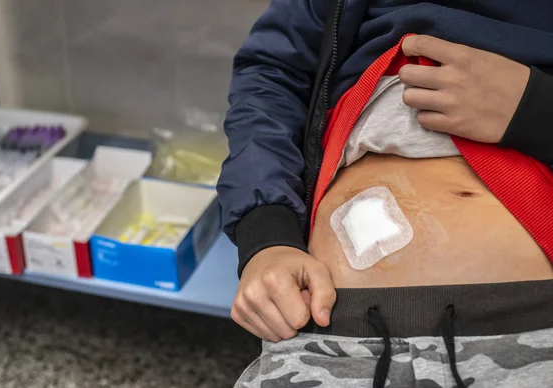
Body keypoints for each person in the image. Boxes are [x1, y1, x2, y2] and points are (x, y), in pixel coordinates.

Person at [218, 1, 553, 386]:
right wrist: (266, 236)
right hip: (332, 329)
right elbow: (272, 76)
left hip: (532, 319)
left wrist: (539, 109)